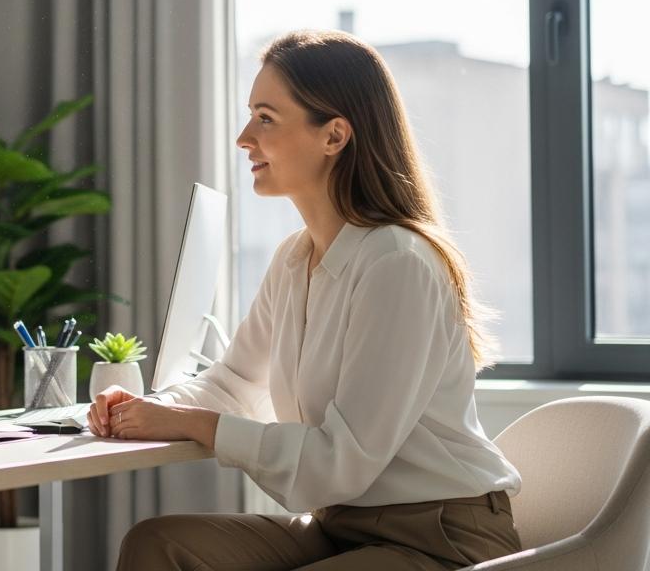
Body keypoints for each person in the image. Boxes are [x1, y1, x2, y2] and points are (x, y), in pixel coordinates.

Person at [89, 30, 523, 570]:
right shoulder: (296, 258)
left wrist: (192, 426)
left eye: (266, 118)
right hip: (340, 524)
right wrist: (150, 411)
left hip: (439, 536)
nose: (245, 137)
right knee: (158, 543)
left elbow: (341, 462)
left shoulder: (398, 264)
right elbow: (234, 383)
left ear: (334, 136)